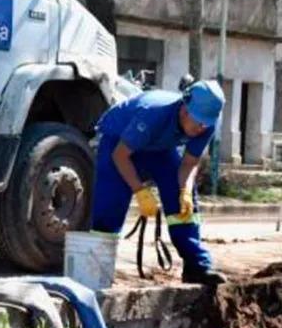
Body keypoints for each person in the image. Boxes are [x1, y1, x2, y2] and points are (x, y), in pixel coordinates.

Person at [91, 79, 228, 287]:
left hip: (160, 146)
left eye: (205, 124)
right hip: (118, 140)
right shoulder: (153, 113)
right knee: (111, 202)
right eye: (197, 121)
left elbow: (189, 164)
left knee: (182, 202)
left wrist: (186, 191)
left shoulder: (207, 123)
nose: (201, 128)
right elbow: (121, 156)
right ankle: (95, 269)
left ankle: (196, 265)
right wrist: (140, 190)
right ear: (184, 108)